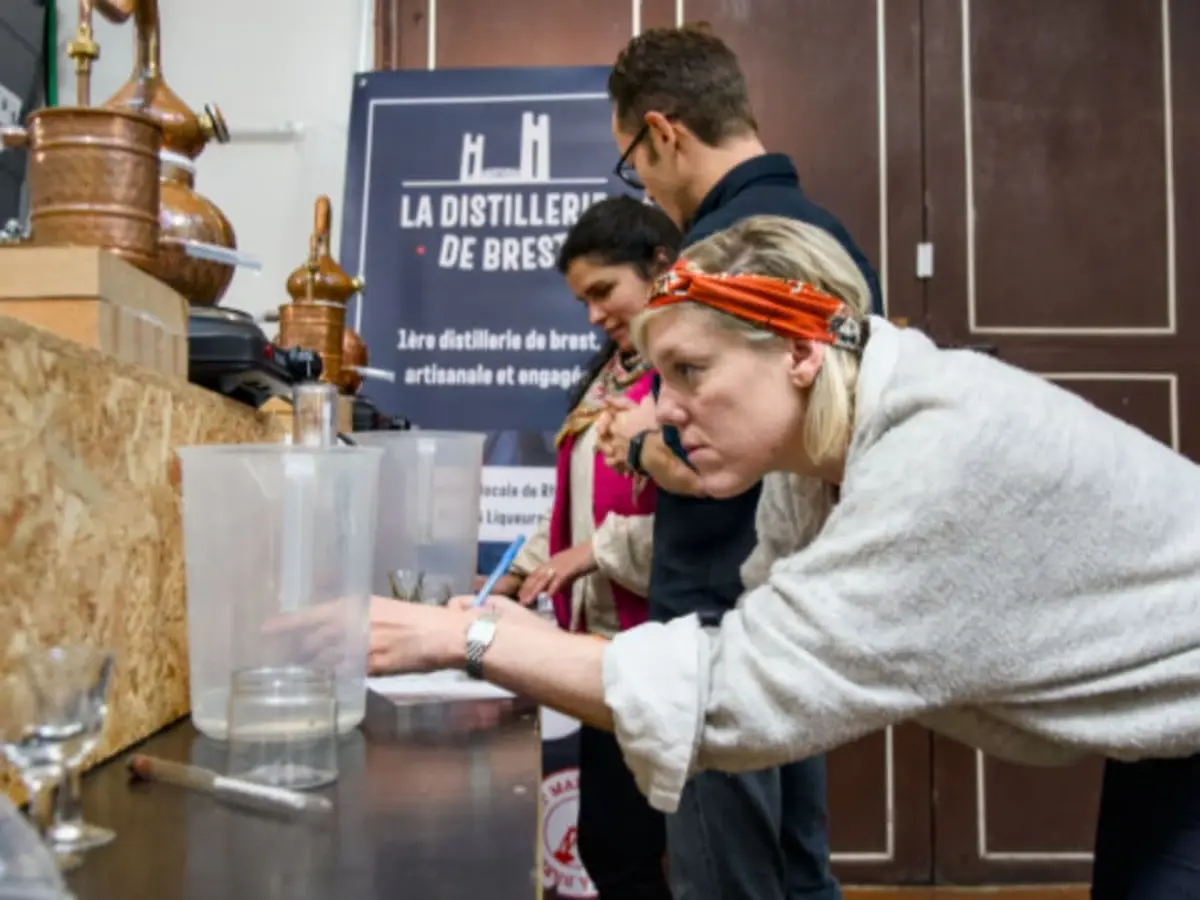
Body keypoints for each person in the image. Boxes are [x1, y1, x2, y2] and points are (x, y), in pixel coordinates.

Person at [369, 214, 1200, 900]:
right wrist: (509, 630)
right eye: (659, 379)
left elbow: (737, 699)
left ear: (801, 349)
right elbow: (739, 646)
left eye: (691, 370)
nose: (663, 413)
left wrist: (474, 642)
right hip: (1168, 731)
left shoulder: (936, 453)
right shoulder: (813, 471)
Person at [599, 24, 881, 900]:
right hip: (799, 610)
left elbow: (711, 446)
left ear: (665, 132)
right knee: (799, 874)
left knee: (727, 882)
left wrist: (640, 441)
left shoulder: (721, 251)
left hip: (720, 618)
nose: (640, 183)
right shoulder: (825, 236)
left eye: (632, 161)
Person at [469, 195, 682, 900]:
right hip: (601, 655)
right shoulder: (609, 376)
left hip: (666, 652)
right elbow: (568, 505)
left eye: (603, 291)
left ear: (659, 266)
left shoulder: (689, 377)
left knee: (653, 855)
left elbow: (712, 534)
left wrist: (598, 552)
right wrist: (517, 574)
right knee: (610, 845)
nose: (593, 313)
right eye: (583, 298)